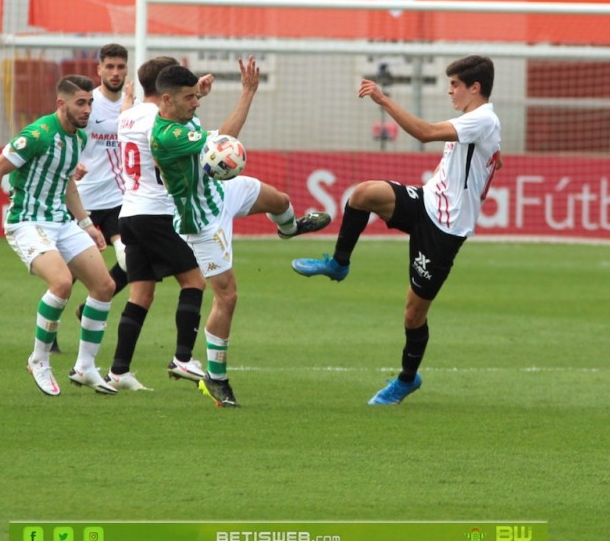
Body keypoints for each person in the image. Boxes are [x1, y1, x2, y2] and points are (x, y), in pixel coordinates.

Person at [292, 55, 501, 406]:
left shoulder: (482, 119)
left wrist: (383, 99)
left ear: (474, 88)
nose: (450, 90)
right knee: (362, 194)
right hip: (426, 201)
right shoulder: (476, 120)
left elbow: (424, 133)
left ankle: (407, 379)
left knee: (413, 313)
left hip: (444, 230)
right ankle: (339, 264)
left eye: (454, 85)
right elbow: (492, 158)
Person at [151, 57, 331, 407]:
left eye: (196, 96)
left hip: (222, 193)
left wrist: (197, 90)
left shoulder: (182, 115)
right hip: (202, 222)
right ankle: (216, 379)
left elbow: (200, 125)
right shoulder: (167, 135)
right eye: (190, 98)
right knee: (228, 297)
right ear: (167, 101)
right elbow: (224, 141)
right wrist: (247, 92)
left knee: (279, 200)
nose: (196, 103)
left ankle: (290, 228)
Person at [0, 75, 118, 396]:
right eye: (81, 103)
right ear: (61, 104)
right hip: (26, 221)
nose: (87, 109)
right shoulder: (38, 134)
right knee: (62, 283)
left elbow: (67, 183)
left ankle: (85, 367)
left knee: (105, 286)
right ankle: (39, 358)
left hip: (61, 222)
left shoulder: (78, 138)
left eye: (90, 102)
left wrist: (87, 224)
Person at [105, 56, 214, 391]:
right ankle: (183, 357)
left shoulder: (128, 116)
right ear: (166, 90)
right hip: (157, 210)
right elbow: (189, 142)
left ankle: (118, 371)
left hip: (131, 211)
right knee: (195, 281)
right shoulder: (159, 119)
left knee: (141, 293)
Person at [51, 43, 130, 354]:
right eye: (109, 67)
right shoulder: (86, 103)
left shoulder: (131, 105)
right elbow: (60, 134)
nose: (115, 72)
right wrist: (74, 165)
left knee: (132, 257)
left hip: (118, 199)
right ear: (99, 70)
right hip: (82, 201)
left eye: (120, 67)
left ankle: (92, 304)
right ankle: (51, 331)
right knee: (66, 276)